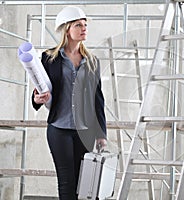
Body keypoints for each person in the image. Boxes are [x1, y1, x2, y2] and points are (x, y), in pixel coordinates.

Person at [31, 6, 107, 200]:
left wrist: (101, 134)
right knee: (66, 183)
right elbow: (41, 86)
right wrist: (36, 98)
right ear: (66, 29)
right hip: (59, 129)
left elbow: (97, 99)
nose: (84, 28)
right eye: (78, 25)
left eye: (85, 25)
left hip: (86, 131)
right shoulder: (49, 58)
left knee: (85, 184)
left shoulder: (92, 61)